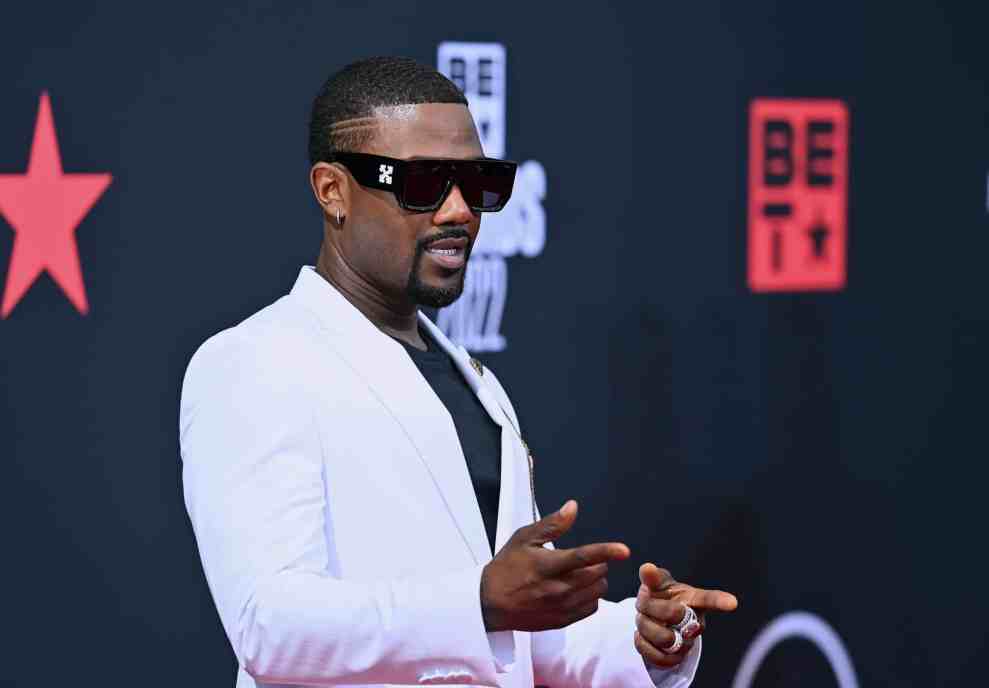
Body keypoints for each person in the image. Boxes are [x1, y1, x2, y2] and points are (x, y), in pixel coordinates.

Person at [179, 56, 737, 688]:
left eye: (478, 184)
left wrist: (642, 638)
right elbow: (268, 624)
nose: (460, 211)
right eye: (424, 184)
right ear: (332, 189)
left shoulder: (473, 384)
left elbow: (519, 644)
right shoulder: (254, 362)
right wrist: (478, 600)